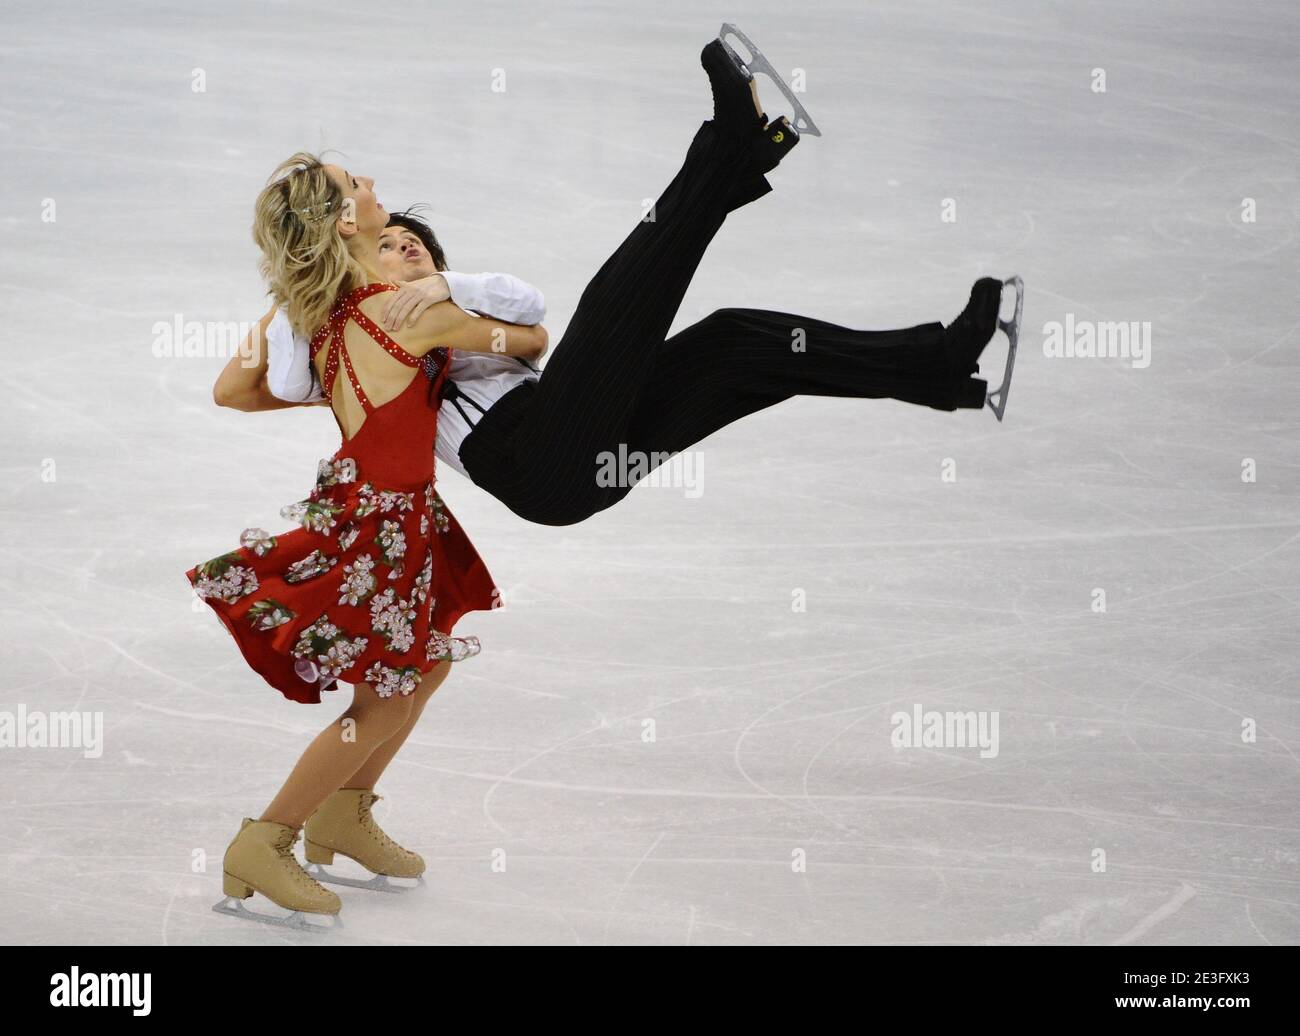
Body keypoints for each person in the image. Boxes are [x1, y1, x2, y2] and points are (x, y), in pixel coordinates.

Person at [246, 37, 1016, 529]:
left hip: (565, 440)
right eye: (373, 210)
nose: (382, 197)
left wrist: (439, 294)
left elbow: (531, 324)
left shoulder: (433, 300)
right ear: (342, 227)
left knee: (739, 343)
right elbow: (254, 384)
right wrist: (308, 318)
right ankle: (733, 149)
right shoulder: (349, 324)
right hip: (534, 458)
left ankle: (938, 366)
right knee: (617, 305)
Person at [190, 153, 548, 929]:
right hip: (382, 521)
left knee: (424, 669)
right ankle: (266, 840)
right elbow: (531, 337)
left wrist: (316, 333)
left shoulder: (328, 318)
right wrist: (449, 297)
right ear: (349, 222)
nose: (375, 188)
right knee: (383, 701)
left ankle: (341, 815)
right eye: (361, 186)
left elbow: (235, 389)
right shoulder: (404, 312)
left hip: (382, 507)